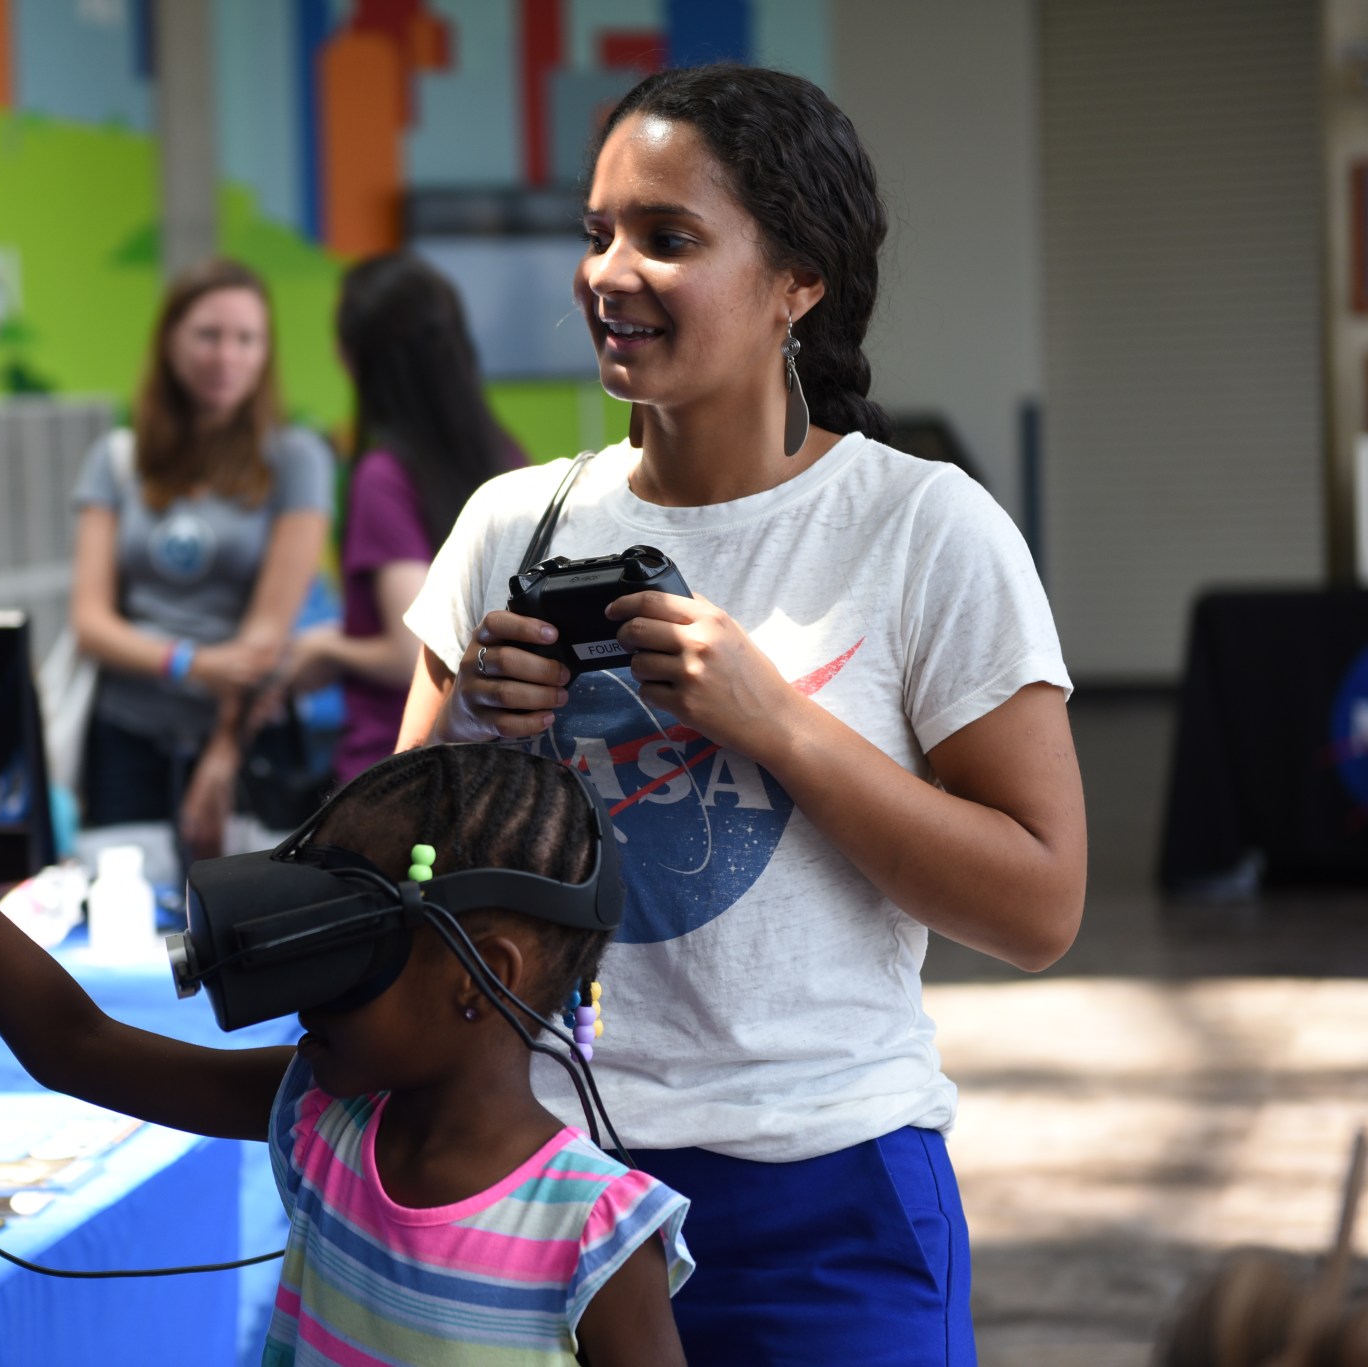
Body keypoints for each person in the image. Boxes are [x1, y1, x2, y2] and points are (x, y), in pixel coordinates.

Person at [397, 65, 1089, 1363]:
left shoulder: (920, 529)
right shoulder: (510, 525)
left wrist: (780, 723)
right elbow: (395, 877)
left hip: (823, 1196)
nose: (611, 271)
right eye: (597, 231)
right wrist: (471, 729)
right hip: (537, 1176)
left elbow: (1041, 904)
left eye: (667, 237)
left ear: (798, 282)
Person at [0, 741, 694, 1366]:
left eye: (349, 950)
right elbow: (76, 1045)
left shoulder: (595, 1234)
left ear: (477, 975)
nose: (301, 994)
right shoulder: (325, 1120)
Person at [69, 259, 331, 859]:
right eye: (208, 335)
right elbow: (91, 621)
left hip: (245, 740)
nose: (226, 356)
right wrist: (188, 662)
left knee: (241, 922)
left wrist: (222, 753)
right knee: (121, 918)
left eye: (247, 339)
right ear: (170, 340)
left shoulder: (296, 459)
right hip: (124, 735)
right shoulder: (116, 458)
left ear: (267, 352)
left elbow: (266, 635)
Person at [275, 252, 522, 784]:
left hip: (395, 771)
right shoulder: (509, 458)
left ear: (359, 358)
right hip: (492, 766)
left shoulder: (384, 476)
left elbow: (407, 650)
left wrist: (324, 647)